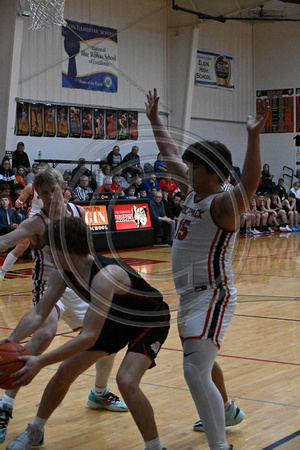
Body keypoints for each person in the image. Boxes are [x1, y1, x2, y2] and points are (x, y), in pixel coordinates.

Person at [145, 88, 269, 449]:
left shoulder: (222, 204)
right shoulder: (193, 192)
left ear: (213, 172)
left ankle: (221, 446)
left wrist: (253, 136)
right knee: (201, 360)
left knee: (193, 369)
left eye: (195, 167)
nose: (187, 171)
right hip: (189, 296)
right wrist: (155, 120)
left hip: (212, 295)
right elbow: (170, 155)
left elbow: (250, 184)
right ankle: (226, 409)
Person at [5, 216, 170, 450]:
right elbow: (39, 313)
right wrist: (11, 340)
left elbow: (88, 336)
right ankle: (36, 430)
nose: (47, 252)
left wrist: (40, 361)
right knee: (65, 370)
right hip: (115, 319)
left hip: (148, 321)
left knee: (126, 380)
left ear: (68, 251)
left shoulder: (105, 276)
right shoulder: (63, 272)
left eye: (52, 247)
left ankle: (155, 447)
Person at [0, 168, 127, 444]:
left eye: (53, 191)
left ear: (62, 188)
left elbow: (88, 251)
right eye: (43, 193)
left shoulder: (78, 213)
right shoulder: (37, 222)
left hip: (77, 283)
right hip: (48, 283)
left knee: (105, 340)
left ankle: (100, 393)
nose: (49, 197)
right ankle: (5, 405)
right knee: (45, 334)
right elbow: (7, 241)